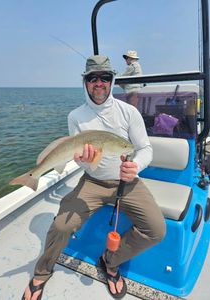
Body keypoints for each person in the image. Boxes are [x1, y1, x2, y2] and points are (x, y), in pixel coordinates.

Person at [22, 55, 166, 300]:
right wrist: (82, 160)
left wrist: (136, 166)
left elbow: (145, 149)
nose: (99, 83)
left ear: (112, 81)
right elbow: (76, 154)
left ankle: (110, 261)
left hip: (127, 182)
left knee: (156, 229)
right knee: (60, 225)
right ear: (85, 82)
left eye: (105, 77)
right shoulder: (75, 117)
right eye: (92, 78)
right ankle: (42, 273)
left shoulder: (128, 112)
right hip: (92, 181)